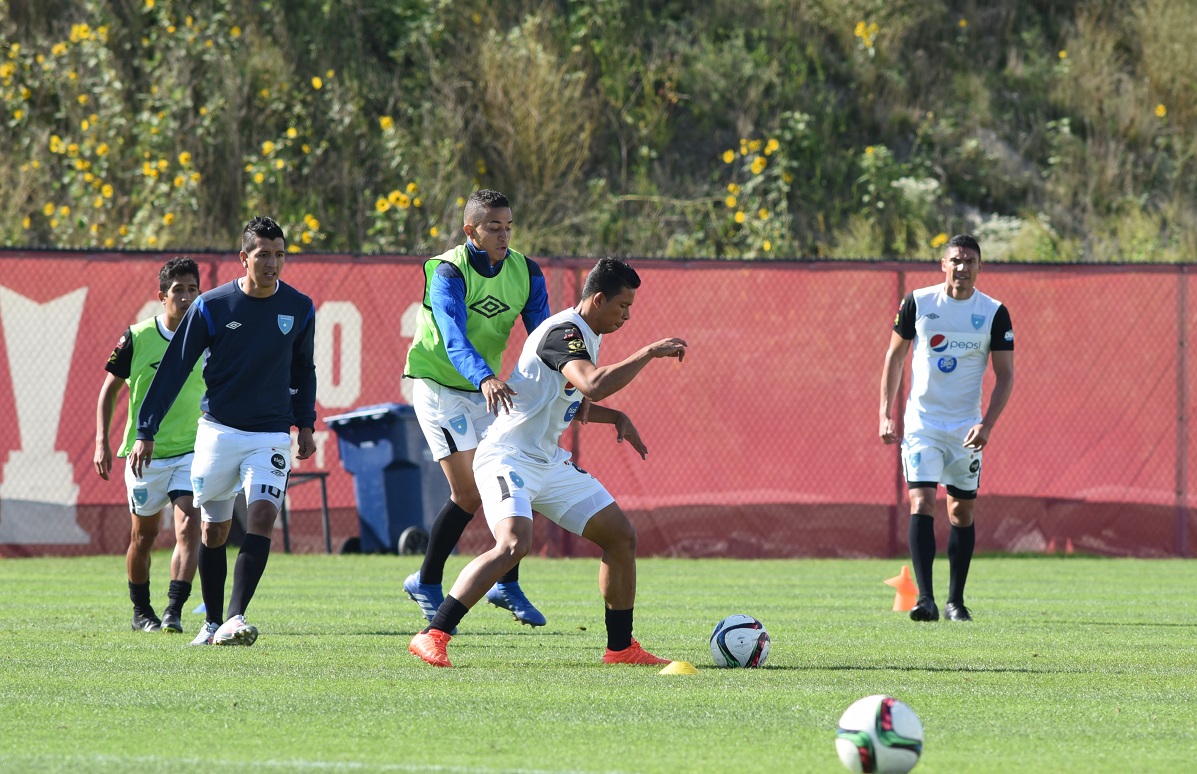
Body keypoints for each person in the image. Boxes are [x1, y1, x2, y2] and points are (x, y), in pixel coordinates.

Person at [409, 257, 687, 667]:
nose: (627, 315)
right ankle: (433, 634)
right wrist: (648, 352)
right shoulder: (564, 332)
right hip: (507, 456)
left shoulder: (587, 335)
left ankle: (621, 648)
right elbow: (593, 384)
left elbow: (567, 401)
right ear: (597, 299)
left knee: (620, 536)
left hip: (547, 462)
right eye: (622, 306)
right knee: (514, 544)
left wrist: (617, 418)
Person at [130, 216, 317, 646]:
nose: (272, 264)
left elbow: (302, 369)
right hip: (218, 433)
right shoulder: (212, 306)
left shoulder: (300, 307)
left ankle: (235, 617)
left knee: (263, 517)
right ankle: (212, 622)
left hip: (269, 434)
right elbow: (175, 368)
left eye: (279, 255)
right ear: (244, 258)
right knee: (213, 531)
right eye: (263, 255)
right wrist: (146, 428)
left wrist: (304, 422)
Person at [402, 189, 550, 629]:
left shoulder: (526, 271)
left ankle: (506, 582)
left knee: (510, 475)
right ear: (470, 231)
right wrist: (485, 376)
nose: (504, 235)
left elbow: (541, 338)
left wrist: (565, 384)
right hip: (440, 387)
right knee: (468, 493)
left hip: (489, 387)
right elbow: (452, 336)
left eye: (508, 227)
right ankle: (427, 582)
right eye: (493, 227)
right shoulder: (447, 271)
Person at [879, 234, 1015, 622]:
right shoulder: (918, 302)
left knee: (961, 512)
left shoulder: (993, 312)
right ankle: (926, 599)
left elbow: (1006, 376)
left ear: (979, 267)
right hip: (922, 423)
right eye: (956, 260)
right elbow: (894, 356)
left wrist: (987, 424)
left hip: (966, 428)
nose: (962, 267)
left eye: (970, 261)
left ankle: (956, 601)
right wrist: (885, 413)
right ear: (943, 265)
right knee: (921, 502)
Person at [94, 257, 205, 634]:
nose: (186, 297)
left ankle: (174, 610)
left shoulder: (208, 339)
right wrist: (102, 443)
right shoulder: (137, 336)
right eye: (178, 290)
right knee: (143, 537)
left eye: (193, 289)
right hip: (145, 454)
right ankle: (142, 611)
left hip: (190, 450)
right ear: (162, 296)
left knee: (190, 525)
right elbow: (108, 389)